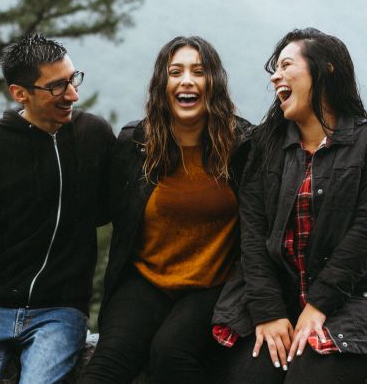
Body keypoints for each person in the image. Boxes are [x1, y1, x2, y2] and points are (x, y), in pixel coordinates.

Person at [0, 33, 115, 384]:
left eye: (73, 80)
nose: (73, 95)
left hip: (60, 313)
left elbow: (115, 209)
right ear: (20, 93)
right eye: (58, 86)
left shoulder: (93, 135)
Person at [78, 36, 253, 384]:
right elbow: (96, 212)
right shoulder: (136, 144)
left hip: (213, 285)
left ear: (214, 83)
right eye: (176, 72)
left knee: (170, 354)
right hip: (146, 280)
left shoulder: (242, 147)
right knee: (107, 364)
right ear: (163, 84)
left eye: (198, 72)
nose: (187, 80)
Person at [214, 28, 367, 383]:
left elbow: (362, 234)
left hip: (350, 300)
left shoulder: (363, 143)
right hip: (279, 301)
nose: (275, 77)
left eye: (286, 65)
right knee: (251, 374)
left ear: (326, 69)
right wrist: (268, 311)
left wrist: (319, 305)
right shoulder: (264, 146)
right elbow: (252, 236)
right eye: (275, 69)